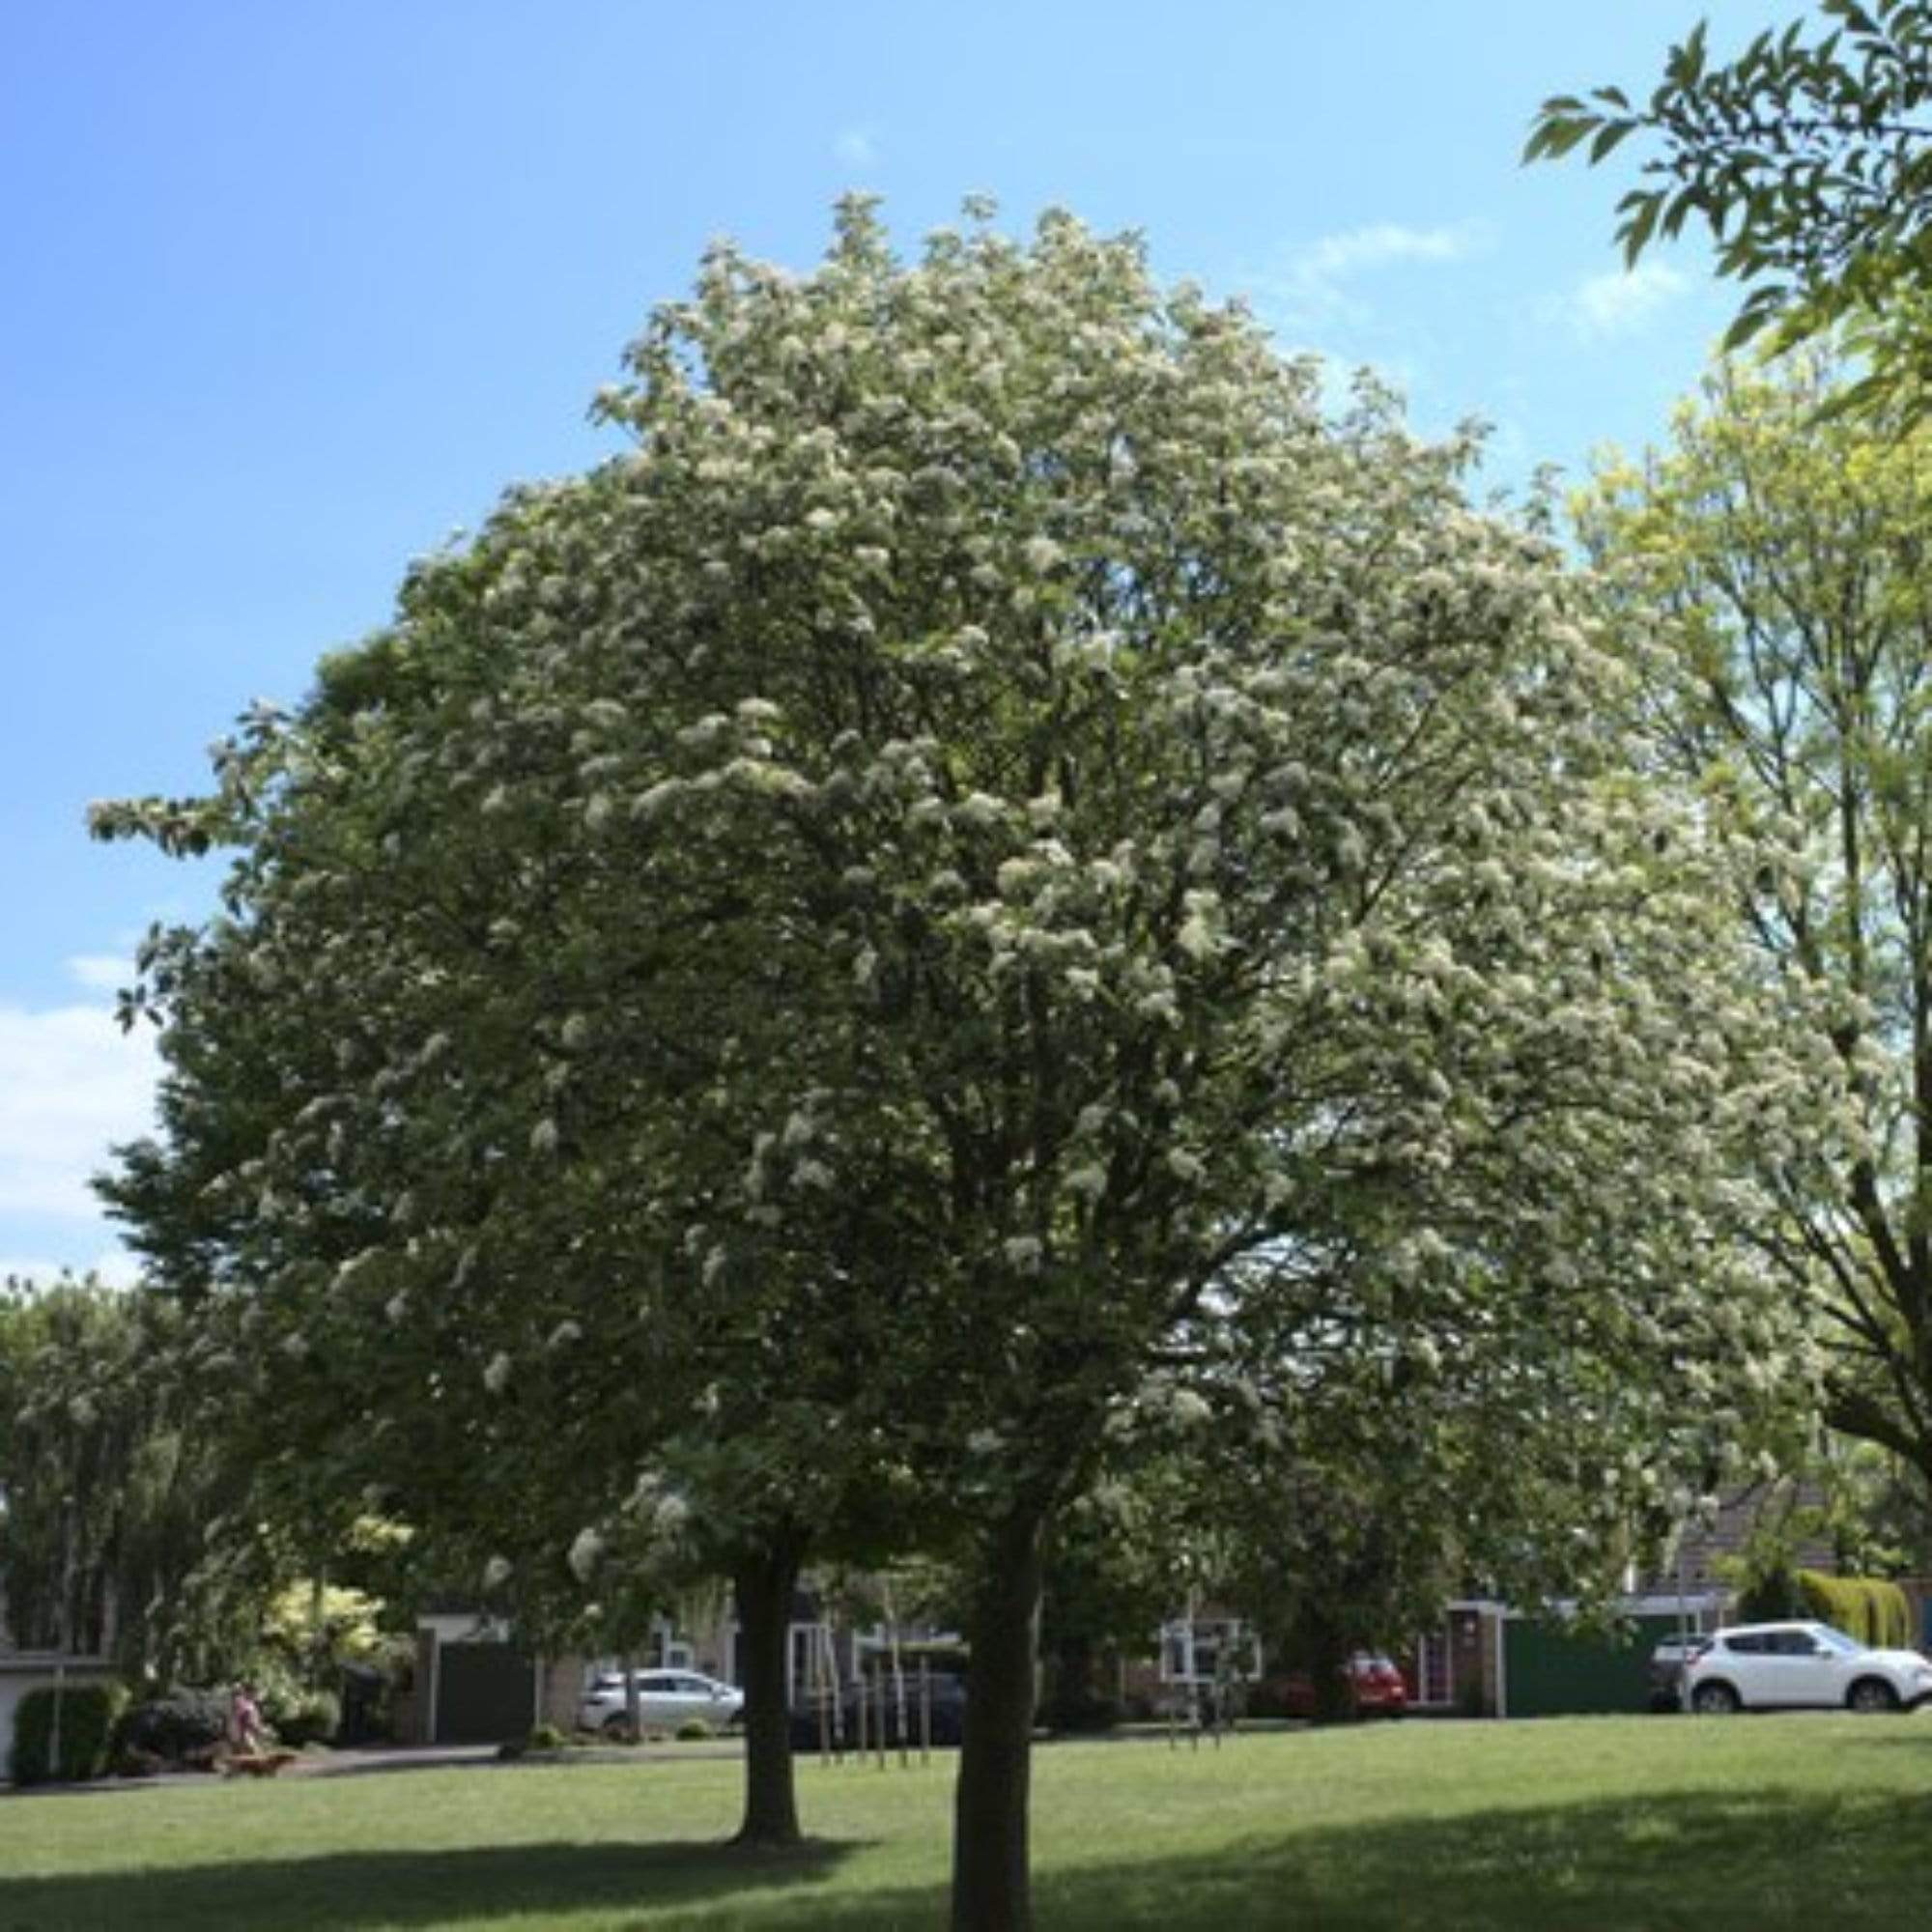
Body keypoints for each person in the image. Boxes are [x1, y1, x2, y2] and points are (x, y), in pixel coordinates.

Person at [229, 1682, 267, 1755]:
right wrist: (261, 1730)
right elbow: (249, 1722)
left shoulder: (239, 1704)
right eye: (256, 1693)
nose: (258, 1696)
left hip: (234, 1738)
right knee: (254, 1756)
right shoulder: (247, 1706)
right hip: (244, 1738)